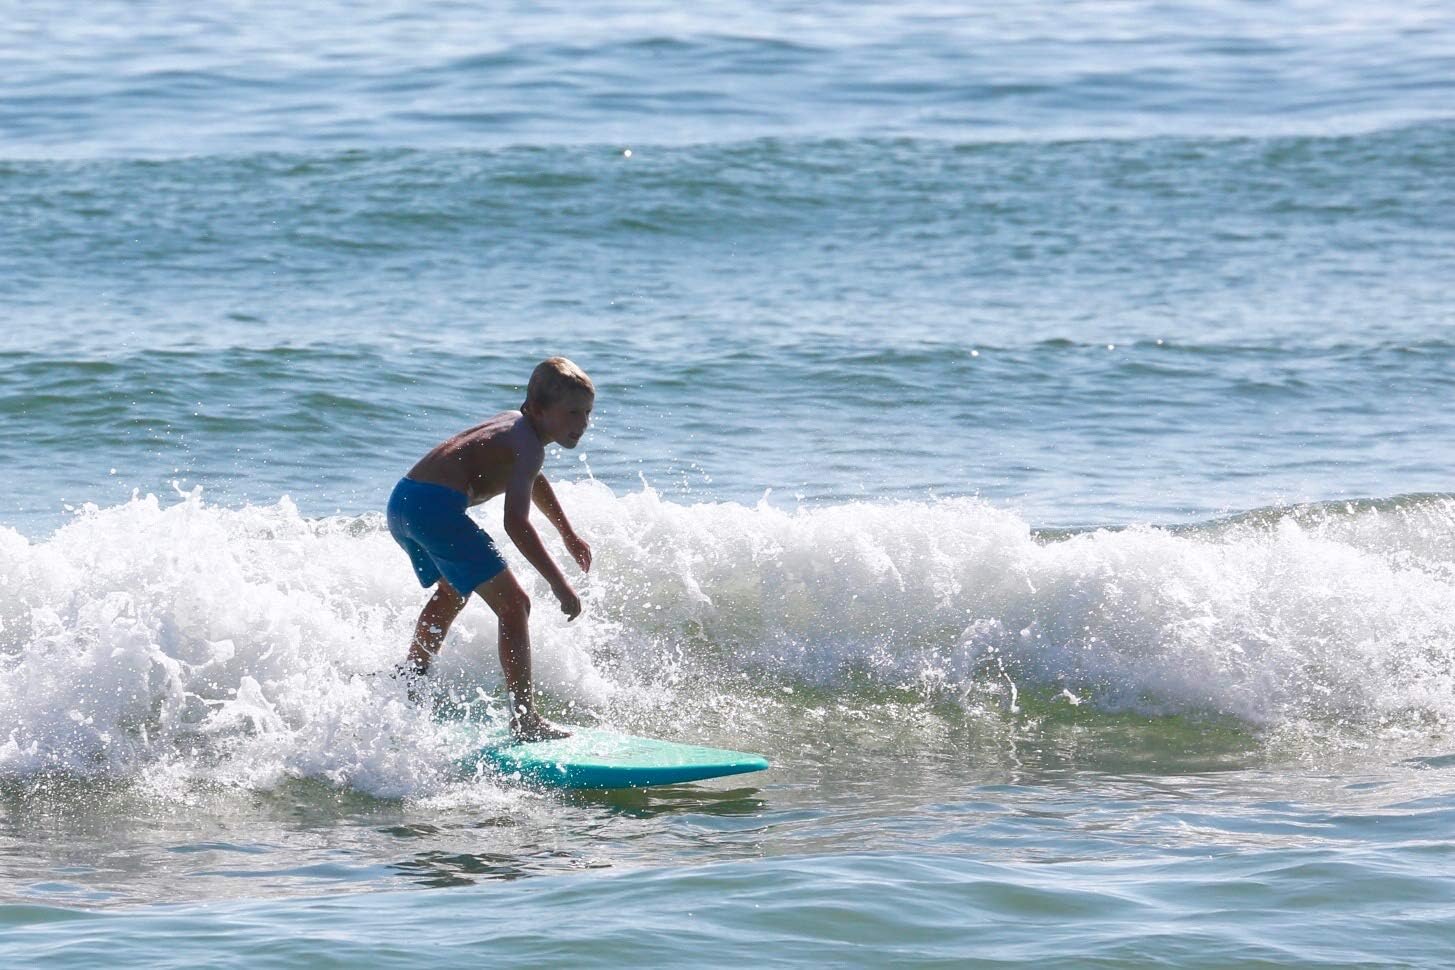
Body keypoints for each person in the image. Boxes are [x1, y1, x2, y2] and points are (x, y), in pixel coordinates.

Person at [385, 357, 594, 740]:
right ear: (537, 409)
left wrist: (567, 533)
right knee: (515, 605)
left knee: (452, 591)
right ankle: (525, 720)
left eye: (587, 413)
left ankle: (410, 677)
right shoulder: (529, 446)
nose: (582, 423)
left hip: (404, 502)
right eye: (572, 413)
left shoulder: (516, 428)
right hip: (436, 509)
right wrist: (559, 583)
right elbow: (516, 523)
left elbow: (531, 478)